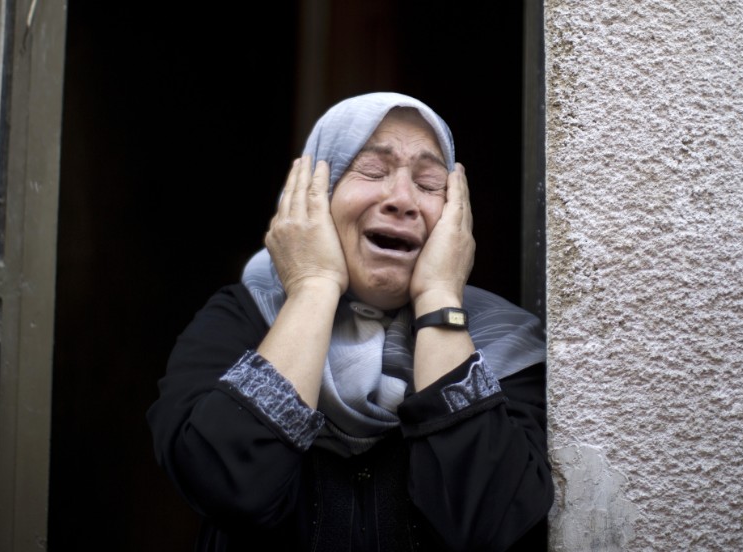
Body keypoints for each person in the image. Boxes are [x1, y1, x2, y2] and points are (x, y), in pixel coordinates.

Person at [146, 92, 553, 551]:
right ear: (313, 199)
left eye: (428, 182)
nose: (402, 200)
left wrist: (439, 298)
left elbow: (491, 523)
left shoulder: (508, 347)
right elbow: (227, 488)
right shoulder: (242, 320)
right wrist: (313, 286)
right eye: (373, 172)